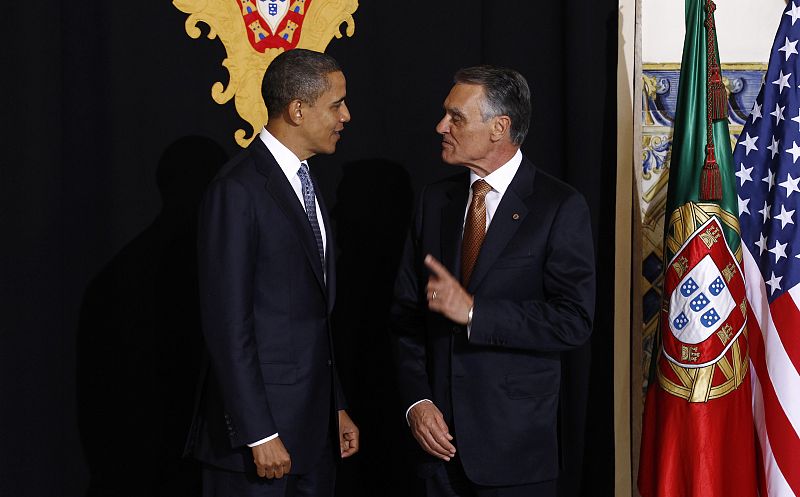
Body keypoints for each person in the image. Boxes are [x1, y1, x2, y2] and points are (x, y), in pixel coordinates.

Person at [390, 65, 595, 497]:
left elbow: (573, 320)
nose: (441, 126)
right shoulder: (435, 201)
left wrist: (475, 313)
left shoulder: (559, 206)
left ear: (500, 127)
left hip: (514, 456)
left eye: (456, 117)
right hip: (435, 453)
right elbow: (404, 317)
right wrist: (416, 402)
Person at [186, 49, 359, 497]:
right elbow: (228, 324)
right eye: (336, 104)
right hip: (256, 449)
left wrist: (334, 406)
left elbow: (310, 315)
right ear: (297, 109)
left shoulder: (305, 180)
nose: (346, 115)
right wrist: (258, 433)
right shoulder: (237, 189)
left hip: (313, 437)